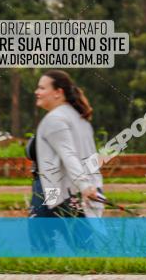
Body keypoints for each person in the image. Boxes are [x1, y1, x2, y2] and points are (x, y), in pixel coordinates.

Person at [29, 69, 104, 222]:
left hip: (56, 189)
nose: (37, 92)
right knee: (83, 243)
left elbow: (68, 155)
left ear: (58, 92)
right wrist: (87, 186)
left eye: (42, 88)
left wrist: (84, 186)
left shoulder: (55, 119)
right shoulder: (79, 117)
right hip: (81, 188)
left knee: (42, 241)